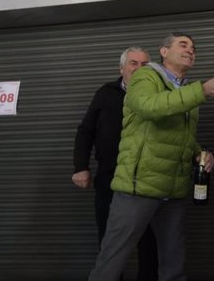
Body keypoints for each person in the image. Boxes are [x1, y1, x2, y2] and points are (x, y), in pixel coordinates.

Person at [89, 32, 214, 281]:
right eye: (183, 44)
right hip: (139, 188)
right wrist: (201, 90)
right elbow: (150, 106)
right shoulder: (145, 76)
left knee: (173, 264)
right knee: (112, 262)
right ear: (164, 51)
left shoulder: (187, 90)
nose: (190, 49)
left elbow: (181, 138)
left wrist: (200, 153)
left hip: (174, 190)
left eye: (193, 47)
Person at [72, 46, 159, 281]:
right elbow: (86, 130)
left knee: (149, 240)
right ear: (122, 68)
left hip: (145, 178)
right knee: (109, 238)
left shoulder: (157, 94)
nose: (139, 68)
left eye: (144, 64)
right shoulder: (106, 93)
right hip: (109, 177)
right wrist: (81, 166)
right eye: (133, 63)